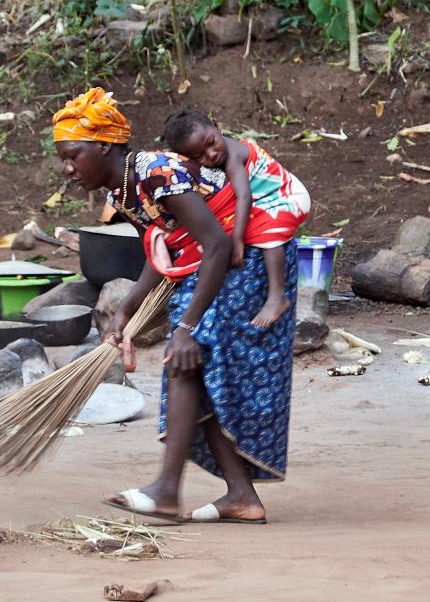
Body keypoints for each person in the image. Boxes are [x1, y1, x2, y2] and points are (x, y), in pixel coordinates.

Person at [51, 88, 299, 525]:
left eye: (74, 155)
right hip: (209, 261)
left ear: (104, 145)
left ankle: (168, 490)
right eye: (63, 159)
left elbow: (219, 242)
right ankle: (240, 495)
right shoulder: (120, 193)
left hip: (249, 257)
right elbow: (167, 244)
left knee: (185, 356)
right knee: (189, 365)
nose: (67, 169)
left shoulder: (156, 170)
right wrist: (129, 304)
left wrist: (186, 325)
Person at [162, 107, 311, 328]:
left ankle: (277, 296)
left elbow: (244, 196)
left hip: (286, 196)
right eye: (199, 156)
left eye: (211, 143)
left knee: (265, 233)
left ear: (216, 125)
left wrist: (238, 241)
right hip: (267, 198)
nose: (210, 155)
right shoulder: (216, 153)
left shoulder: (232, 156)